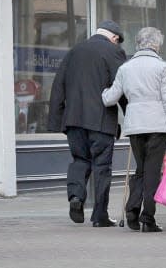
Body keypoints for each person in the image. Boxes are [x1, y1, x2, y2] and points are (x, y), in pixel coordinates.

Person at [102, 27, 166, 233]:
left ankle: (132, 209)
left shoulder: (125, 68)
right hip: (158, 126)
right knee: (151, 172)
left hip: (136, 126)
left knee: (141, 169)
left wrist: (103, 91)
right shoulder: (162, 67)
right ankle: (147, 218)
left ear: (138, 44)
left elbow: (109, 98)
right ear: (157, 45)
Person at [48, 20, 127, 228]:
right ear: (115, 38)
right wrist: (132, 115)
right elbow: (123, 86)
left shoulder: (74, 51)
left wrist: (57, 119)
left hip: (73, 120)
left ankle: (75, 197)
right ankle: (100, 216)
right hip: (100, 121)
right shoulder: (113, 52)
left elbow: (58, 86)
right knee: (102, 166)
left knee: (80, 160)